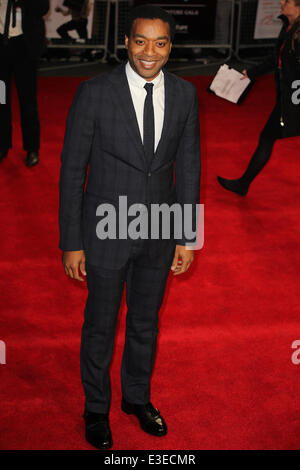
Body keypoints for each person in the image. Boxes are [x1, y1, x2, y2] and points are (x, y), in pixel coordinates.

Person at [59, 4, 200, 450]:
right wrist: (71, 241)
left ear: (170, 46)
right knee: (100, 325)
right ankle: (96, 408)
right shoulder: (94, 92)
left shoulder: (184, 94)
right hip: (104, 230)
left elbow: (190, 168)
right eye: (141, 41)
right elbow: (71, 171)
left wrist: (187, 234)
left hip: (159, 230)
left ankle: (136, 398)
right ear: (126, 43)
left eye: (160, 43)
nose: (149, 52)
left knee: (145, 323)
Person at [217, 0, 300, 196]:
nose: (281, 2)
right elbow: (275, 59)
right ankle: (243, 184)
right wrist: (252, 73)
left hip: (294, 99)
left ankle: (243, 184)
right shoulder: (287, 28)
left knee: (267, 138)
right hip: (288, 97)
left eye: (287, 1)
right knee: (267, 137)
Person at [0, 0, 49, 167]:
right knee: (1, 99)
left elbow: (43, 7)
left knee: (27, 100)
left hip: (25, 47)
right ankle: (2, 145)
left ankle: (32, 148)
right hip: (1, 46)